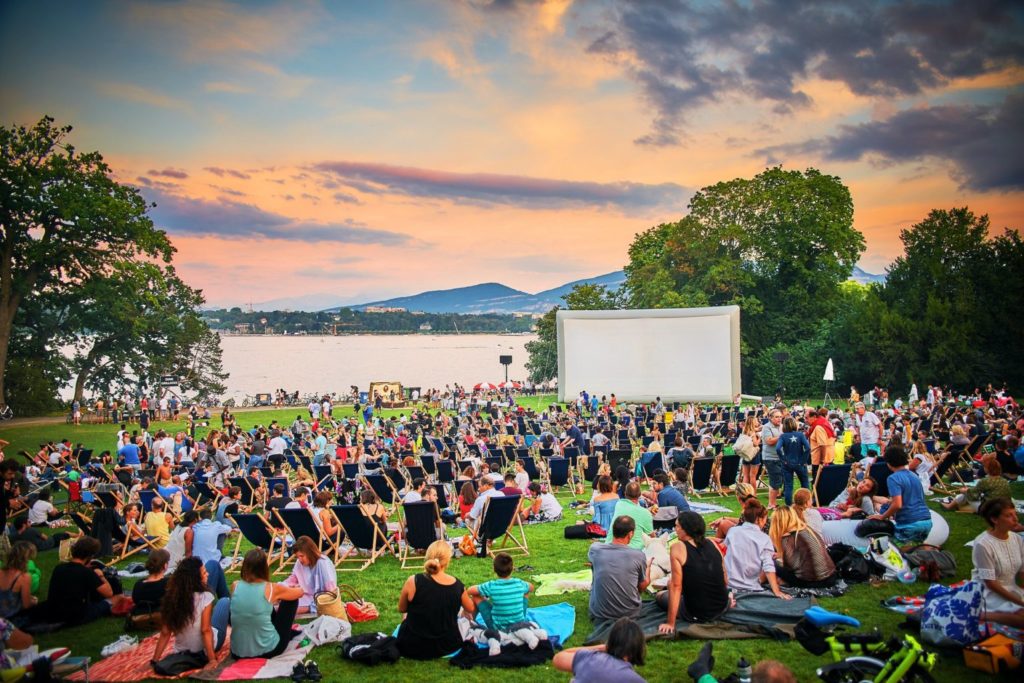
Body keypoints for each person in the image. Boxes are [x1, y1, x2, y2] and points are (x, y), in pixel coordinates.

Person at [396, 540, 474, 659]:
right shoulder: (457, 586)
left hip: (412, 643)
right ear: (448, 560)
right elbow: (470, 608)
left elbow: (402, 609)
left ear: (428, 557)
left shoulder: (413, 580)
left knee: (409, 611)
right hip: (447, 644)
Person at [151, 557, 231, 671]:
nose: (207, 574)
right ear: (195, 578)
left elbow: (165, 632)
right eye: (204, 572)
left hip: (181, 651)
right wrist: (212, 660)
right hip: (205, 649)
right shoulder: (205, 597)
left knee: (208, 617)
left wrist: (154, 660)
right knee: (224, 601)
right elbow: (205, 630)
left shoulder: (171, 598)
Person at [656, 511, 729, 632]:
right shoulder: (712, 543)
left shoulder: (678, 548)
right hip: (722, 606)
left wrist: (670, 623)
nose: (675, 529)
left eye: (677, 526)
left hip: (697, 612)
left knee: (660, 595)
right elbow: (724, 578)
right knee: (671, 584)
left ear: (686, 529)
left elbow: (676, 586)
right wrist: (727, 598)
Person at [229, 548, 303, 659]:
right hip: (269, 650)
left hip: (237, 652)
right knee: (291, 600)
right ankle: (287, 633)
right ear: (264, 567)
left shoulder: (235, 585)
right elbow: (299, 593)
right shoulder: (271, 588)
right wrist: (292, 589)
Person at [36, 536, 115, 626]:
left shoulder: (59, 568)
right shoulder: (86, 572)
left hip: (53, 612)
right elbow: (109, 593)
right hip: (75, 616)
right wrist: (100, 575)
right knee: (114, 600)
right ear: (89, 556)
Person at [970, 497, 1024, 627]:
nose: (1015, 519)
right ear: (994, 520)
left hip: (1011, 589)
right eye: (1008, 515)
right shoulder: (983, 544)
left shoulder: (1017, 539)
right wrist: (1020, 602)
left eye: (1014, 514)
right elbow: (991, 583)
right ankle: (983, 615)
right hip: (988, 593)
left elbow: (1022, 572)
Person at [590, 516, 652, 624]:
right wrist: (648, 567)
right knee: (643, 579)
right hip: (630, 613)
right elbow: (642, 585)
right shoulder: (638, 555)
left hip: (599, 612)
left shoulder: (595, 549)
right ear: (630, 534)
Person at [723, 499, 789, 599]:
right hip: (750, 585)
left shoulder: (733, 531)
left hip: (729, 583)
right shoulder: (764, 539)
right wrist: (777, 591)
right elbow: (769, 566)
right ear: (759, 519)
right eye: (765, 518)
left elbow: (724, 552)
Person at [868, 444, 932, 546]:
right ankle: (933, 550)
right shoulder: (914, 475)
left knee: (891, 552)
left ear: (888, 463)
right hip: (927, 521)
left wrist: (882, 517)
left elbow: (897, 504)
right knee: (915, 549)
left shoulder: (893, 478)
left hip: (910, 523)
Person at [553, 617, 647, 683]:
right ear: (639, 647)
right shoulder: (634, 680)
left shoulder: (589, 658)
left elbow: (558, 658)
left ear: (610, 642)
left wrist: (599, 648)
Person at [768, 506, 836, 588]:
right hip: (830, 577)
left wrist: (780, 560)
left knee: (770, 562)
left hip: (812, 582)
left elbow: (790, 566)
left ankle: (765, 581)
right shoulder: (807, 529)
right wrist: (780, 554)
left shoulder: (788, 537)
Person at [467, 552, 533, 630]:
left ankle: (469, 624)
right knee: (526, 591)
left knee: (476, 596)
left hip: (498, 629)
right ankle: (520, 619)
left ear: (494, 569)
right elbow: (531, 587)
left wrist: (482, 592)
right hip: (519, 626)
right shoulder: (519, 583)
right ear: (512, 568)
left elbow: (470, 590)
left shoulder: (492, 586)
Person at [281, 536, 337, 615]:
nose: (299, 560)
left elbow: (331, 592)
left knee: (285, 610)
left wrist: (311, 607)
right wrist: (280, 588)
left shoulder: (322, 563)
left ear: (310, 553)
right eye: (298, 557)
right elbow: (293, 579)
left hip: (320, 600)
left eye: (301, 556)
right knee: (280, 603)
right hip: (306, 596)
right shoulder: (300, 562)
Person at [943, 456, 1010, 512]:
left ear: (987, 469)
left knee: (965, 494)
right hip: (1003, 508)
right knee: (969, 492)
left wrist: (964, 491)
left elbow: (973, 495)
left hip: (989, 510)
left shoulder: (985, 481)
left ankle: (949, 506)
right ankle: (953, 505)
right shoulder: (1004, 481)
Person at [605, 483, 653, 550]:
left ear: (625, 493)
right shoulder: (645, 513)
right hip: (633, 550)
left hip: (610, 546)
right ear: (640, 495)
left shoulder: (619, 504)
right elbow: (652, 536)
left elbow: (634, 510)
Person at [776, 417, 810, 506]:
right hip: (800, 463)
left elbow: (778, 449)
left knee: (788, 485)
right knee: (805, 483)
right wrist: (803, 460)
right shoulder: (800, 435)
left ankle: (789, 506)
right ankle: (806, 503)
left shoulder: (783, 436)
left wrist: (783, 459)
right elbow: (808, 448)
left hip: (787, 463)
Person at [0, 542, 37, 619]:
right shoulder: (24, 577)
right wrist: (33, 601)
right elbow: (26, 605)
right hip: (12, 617)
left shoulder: (1, 572)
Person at [132, 549, 171, 615]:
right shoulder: (168, 583)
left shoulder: (138, 584)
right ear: (165, 565)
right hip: (162, 619)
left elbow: (135, 601)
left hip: (140, 618)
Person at [760, 409, 784, 508]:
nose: (779, 419)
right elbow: (769, 441)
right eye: (776, 417)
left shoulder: (782, 426)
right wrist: (782, 437)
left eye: (780, 417)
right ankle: (771, 504)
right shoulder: (766, 427)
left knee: (779, 479)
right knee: (775, 479)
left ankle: (773, 501)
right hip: (770, 457)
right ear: (770, 418)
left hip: (780, 456)